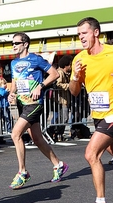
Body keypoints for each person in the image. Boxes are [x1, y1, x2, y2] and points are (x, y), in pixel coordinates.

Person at [69, 17, 113, 203]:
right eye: (78, 34)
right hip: (98, 117)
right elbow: (74, 92)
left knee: (91, 154)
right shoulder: (79, 59)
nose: (81, 37)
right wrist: (76, 77)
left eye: (84, 33)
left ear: (95, 32)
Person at [7, 32, 68, 189]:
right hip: (22, 104)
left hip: (35, 103)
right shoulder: (13, 63)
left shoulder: (35, 59)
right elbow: (14, 81)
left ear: (25, 44)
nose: (13, 46)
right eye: (12, 43)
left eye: (16, 43)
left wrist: (41, 86)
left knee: (15, 134)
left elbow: (54, 74)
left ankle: (22, 172)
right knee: (37, 138)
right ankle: (58, 165)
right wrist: (12, 93)